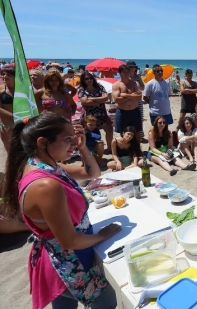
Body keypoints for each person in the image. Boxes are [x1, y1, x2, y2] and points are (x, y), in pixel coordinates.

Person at [0, 112, 120, 309]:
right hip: (69, 261)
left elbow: (93, 173)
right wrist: (102, 235)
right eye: (67, 139)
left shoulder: (42, 165)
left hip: (55, 259)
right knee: (108, 302)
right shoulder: (46, 185)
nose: (73, 143)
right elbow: (69, 240)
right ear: (42, 142)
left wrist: (82, 149)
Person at [78, 72, 113, 147]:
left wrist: (92, 98)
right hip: (89, 114)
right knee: (86, 132)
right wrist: (100, 100)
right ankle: (86, 149)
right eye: (86, 79)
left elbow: (106, 98)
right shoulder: (82, 89)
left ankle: (110, 148)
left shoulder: (100, 87)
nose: (89, 80)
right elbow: (85, 102)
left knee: (109, 129)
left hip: (101, 113)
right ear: (83, 80)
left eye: (90, 78)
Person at [112, 65, 143, 142]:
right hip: (122, 111)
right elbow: (117, 99)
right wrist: (132, 96)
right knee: (123, 132)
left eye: (127, 72)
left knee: (136, 132)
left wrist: (125, 95)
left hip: (134, 110)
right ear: (120, 73)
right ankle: (125, 149)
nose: (126, 74)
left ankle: (137, 150)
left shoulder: (135, 83)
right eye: (124, 72)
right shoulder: (116, 85)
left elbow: (139, 97)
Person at [0, 67, 19, 151]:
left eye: (8, 75)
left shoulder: (21, 90)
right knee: (10, 151)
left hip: (21, 124)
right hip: (7, 125)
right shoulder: (1, 89)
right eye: (3, 74)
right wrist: (15, 116)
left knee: (22, 151)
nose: (5, 76)